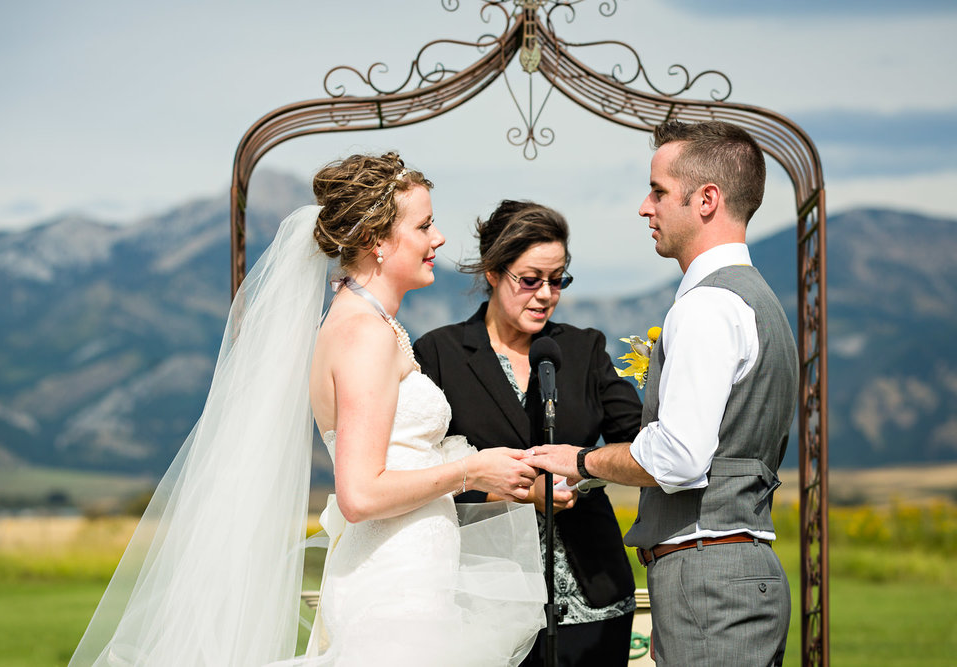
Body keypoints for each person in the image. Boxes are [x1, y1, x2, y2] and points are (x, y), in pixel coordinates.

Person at [68, 153, 545, 667]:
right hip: (393, 590)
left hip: (409, 575)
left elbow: (398, 458)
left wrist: (495, 475)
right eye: (425, 225)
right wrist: (471, 469)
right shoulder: (363, 335)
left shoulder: (370, 324)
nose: (440, 239)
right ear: (377, 242)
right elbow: (360, 494)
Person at [526, 120, 799, 666]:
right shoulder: (763, 304)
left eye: (657, 191)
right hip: (732, 575)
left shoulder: (706, 307)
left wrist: (581, 460)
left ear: (706, 199)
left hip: (709, 584)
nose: (644, 207)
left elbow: (678, 458)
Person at [414, 200, 643, 666]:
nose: (546, 294)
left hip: (590, 597)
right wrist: (516, 493)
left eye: (557, 279)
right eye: (531, 279)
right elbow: (419, 472)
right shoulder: (440, 353)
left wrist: (582, 472)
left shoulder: (584, 348)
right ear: (494, 272)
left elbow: (641, 445)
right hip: (482, 601)